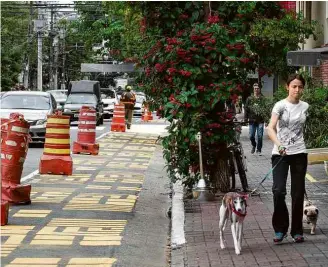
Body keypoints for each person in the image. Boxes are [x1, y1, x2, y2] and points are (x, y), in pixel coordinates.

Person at [267, 74, 309, 244]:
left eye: (300, 87)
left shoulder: (305, 106)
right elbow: (270, 128)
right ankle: (280, 229)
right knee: (278, 190)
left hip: (299, 153)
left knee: (298, 194)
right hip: (280, 154)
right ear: (287, 87)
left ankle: (297, 231)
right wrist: (279, 144)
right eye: (294, 86)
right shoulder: (280, 106)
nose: (297, 90)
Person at [244, 83, 265, 155]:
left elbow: (265, 109)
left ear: (259, 89)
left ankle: (259, 150)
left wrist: (267, 119)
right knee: (251, 136)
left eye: (257, 88)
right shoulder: (249, 99)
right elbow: (246, 109)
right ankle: (254, 145)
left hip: (260, 120)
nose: (256, 89)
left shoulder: (262, 98)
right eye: (255, 88)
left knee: (260, 136)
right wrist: (245, 118)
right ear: (253, 89)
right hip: (252, 120)